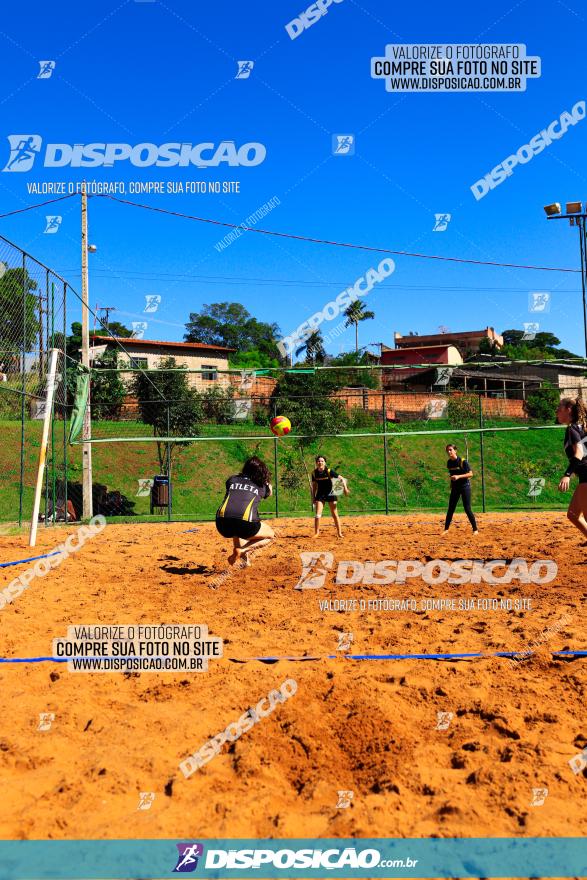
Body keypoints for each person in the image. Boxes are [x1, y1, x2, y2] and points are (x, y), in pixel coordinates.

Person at [216, 456, 274, 566]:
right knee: (270, 535)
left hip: (222, 524)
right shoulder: (261, 485)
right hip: (245, 525)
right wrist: (267, 484)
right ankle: (242, 550)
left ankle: (245, 561)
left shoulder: (231, 479)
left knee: (235, 526)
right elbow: (269, 493)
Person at [556, 397, 587, 540]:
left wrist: (567, 474)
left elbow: (579, 452)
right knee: (573, 514)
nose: (556, 412)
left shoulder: (573, 428)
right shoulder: (582, 426)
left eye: (559, 409)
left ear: (568, 410)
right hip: (584, 475)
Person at [443, 443, 479, 534]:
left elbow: (470, 474)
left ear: (455, 450)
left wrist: (458, 477)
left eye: (450, 449)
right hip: (455, 487)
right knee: (451, 508)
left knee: (467, 509)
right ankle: (446, 530)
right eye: (447, 450)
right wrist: (452, 482)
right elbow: (452, 475)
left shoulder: (462, 461)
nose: (449, 451)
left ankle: (475, 530)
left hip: (465, 487)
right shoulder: (449, 462)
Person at [311, 455, 349, 538]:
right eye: (318, 461)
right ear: (316, 463)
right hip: (320, 495)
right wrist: (313, 497)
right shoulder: (314, 473)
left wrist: (345, 489)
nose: (320, 462)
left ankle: (339, 533)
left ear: (325, 462)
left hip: (331, 493)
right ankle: (316, 533)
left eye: (322, 461)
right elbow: (314, 487)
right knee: (317, 515)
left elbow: (341, 479)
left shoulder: (329, 471)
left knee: (335, 514)